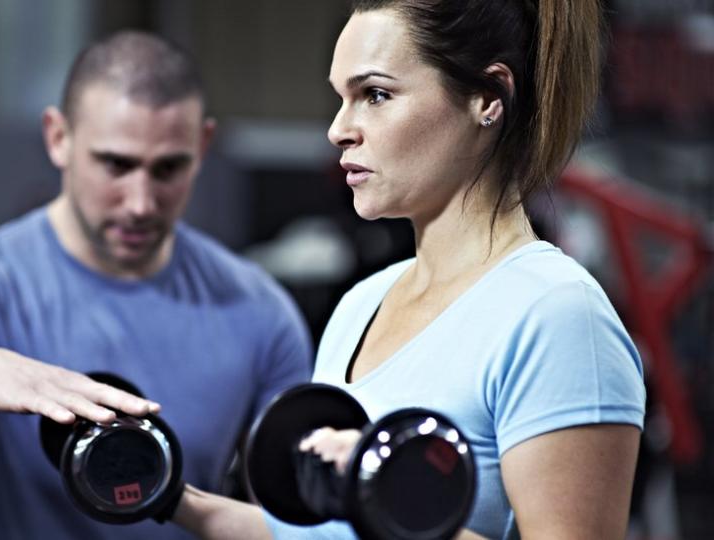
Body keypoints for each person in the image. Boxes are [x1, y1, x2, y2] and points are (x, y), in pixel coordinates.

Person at [0, 31, 312, 540]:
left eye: (168, 169)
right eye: (115, 164)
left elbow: (291, 518)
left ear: (202, 146)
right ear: (58, 138)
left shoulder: (259, 310)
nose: (140, 201)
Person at [170, 1, 646, 539]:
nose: (338, 130)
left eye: (375, 95)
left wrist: (391, 489)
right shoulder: (360, 305)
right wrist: (169, 493)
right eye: (341, 99)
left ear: (487, 99)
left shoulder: (557, 317)